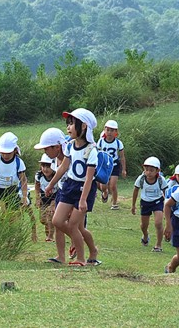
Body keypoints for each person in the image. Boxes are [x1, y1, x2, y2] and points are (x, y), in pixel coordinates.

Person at [44, 108, 101, 266]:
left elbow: (89, 178)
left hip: (84, 190)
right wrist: (51, 185)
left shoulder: (91, 150)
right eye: (67, 124)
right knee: (58, 221)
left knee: (74, 225)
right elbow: (63, 168)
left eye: (71, 124)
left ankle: (81, 259)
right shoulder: (69, 146)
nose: (68, 128)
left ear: (83, 126)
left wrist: (83, 200)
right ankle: (92, 249)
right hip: (70, 185)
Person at [34, 128, 72, 263]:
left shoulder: (70, 157)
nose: (45, 152)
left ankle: (87, 249)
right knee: (58, 223)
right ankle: (61, 256)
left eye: (46, 149)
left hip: (73, 193)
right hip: (62, 192)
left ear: (57, 147)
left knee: (73, 226)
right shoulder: (57, 160)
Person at [131, 157, 168, 252]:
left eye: (151, 170)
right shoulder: (141, 179)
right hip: (145, 202)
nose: (148, 172)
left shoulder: (161, 180)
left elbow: (166, 192)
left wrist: (166, 205)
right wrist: (133, 205)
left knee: (158, 223)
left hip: (157, 202)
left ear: (157, 171)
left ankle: (158, 245)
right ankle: (146, 235)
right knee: (144, 225)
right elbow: (136, 190)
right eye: (146, 170)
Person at [97, 120, 127, 209]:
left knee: (113, 185)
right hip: (104, 165)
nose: (109, 132)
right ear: (104, 130)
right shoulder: (101, 142)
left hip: (114, 165)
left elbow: (122, 157)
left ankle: (114, 203)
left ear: (116, 132)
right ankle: (105, 192)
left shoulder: (118, 143)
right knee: (103, 185)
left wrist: (123, 169)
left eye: (112, 130)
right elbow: (97, 154)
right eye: (108, 130)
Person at [35, 154, 56, 242]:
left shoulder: (57, 176)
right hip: (44, 199)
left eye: (48, 166)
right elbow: (37, 186)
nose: (45, 169)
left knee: (50, 215)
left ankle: (50, 236)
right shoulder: (39, 175)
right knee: (43, 219)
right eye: (43, 166)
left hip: (54, 198)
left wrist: (54, 203)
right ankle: (51, 229)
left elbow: (60, 189)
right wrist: (37, 198)